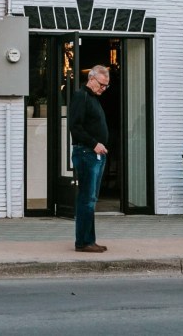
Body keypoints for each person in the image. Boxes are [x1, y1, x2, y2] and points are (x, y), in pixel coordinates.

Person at [69, 64, 111, 252]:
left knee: (91, 198)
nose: (103, 88)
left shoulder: (93, 98)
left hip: (95, 154)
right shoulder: (81, 96)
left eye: (106, 86)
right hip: (87, 153)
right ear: (91, 79)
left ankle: (90, 239)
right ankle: (83, 242)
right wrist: (94, 144)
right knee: (87, 198)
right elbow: (75, 126)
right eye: (101, 84)